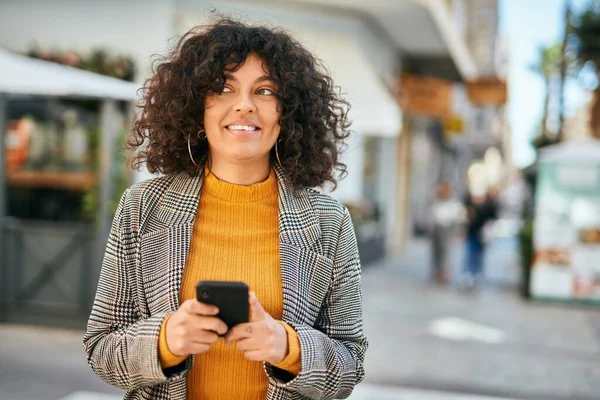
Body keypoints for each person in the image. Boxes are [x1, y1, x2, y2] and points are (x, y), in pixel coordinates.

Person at [82, 19, 367, 400]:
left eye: (265, 91)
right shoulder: (143, 207)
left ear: (289, 112)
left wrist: (288, 346)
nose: (244, 105)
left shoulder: (329, 221)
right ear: (195, 104)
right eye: (223, 88)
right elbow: (101, 349)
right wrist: (166, 339)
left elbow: (350, 365)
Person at [430, 180, 465, 284]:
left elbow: (459, 216)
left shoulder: (453, 202)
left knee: (446, 254)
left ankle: (444, 275)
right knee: (436, 253)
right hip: (437, 228)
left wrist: (459, 230)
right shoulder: (436, 201)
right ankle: (436, 273)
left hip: (447, 229)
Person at [462, 187, 499, 287]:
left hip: (482, 236)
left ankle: (477, 273)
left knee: (479, 255)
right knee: (470, 254)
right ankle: (469, 273)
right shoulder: (471, 205)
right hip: (472, 234)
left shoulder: (488, 206)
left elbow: (493, 219)